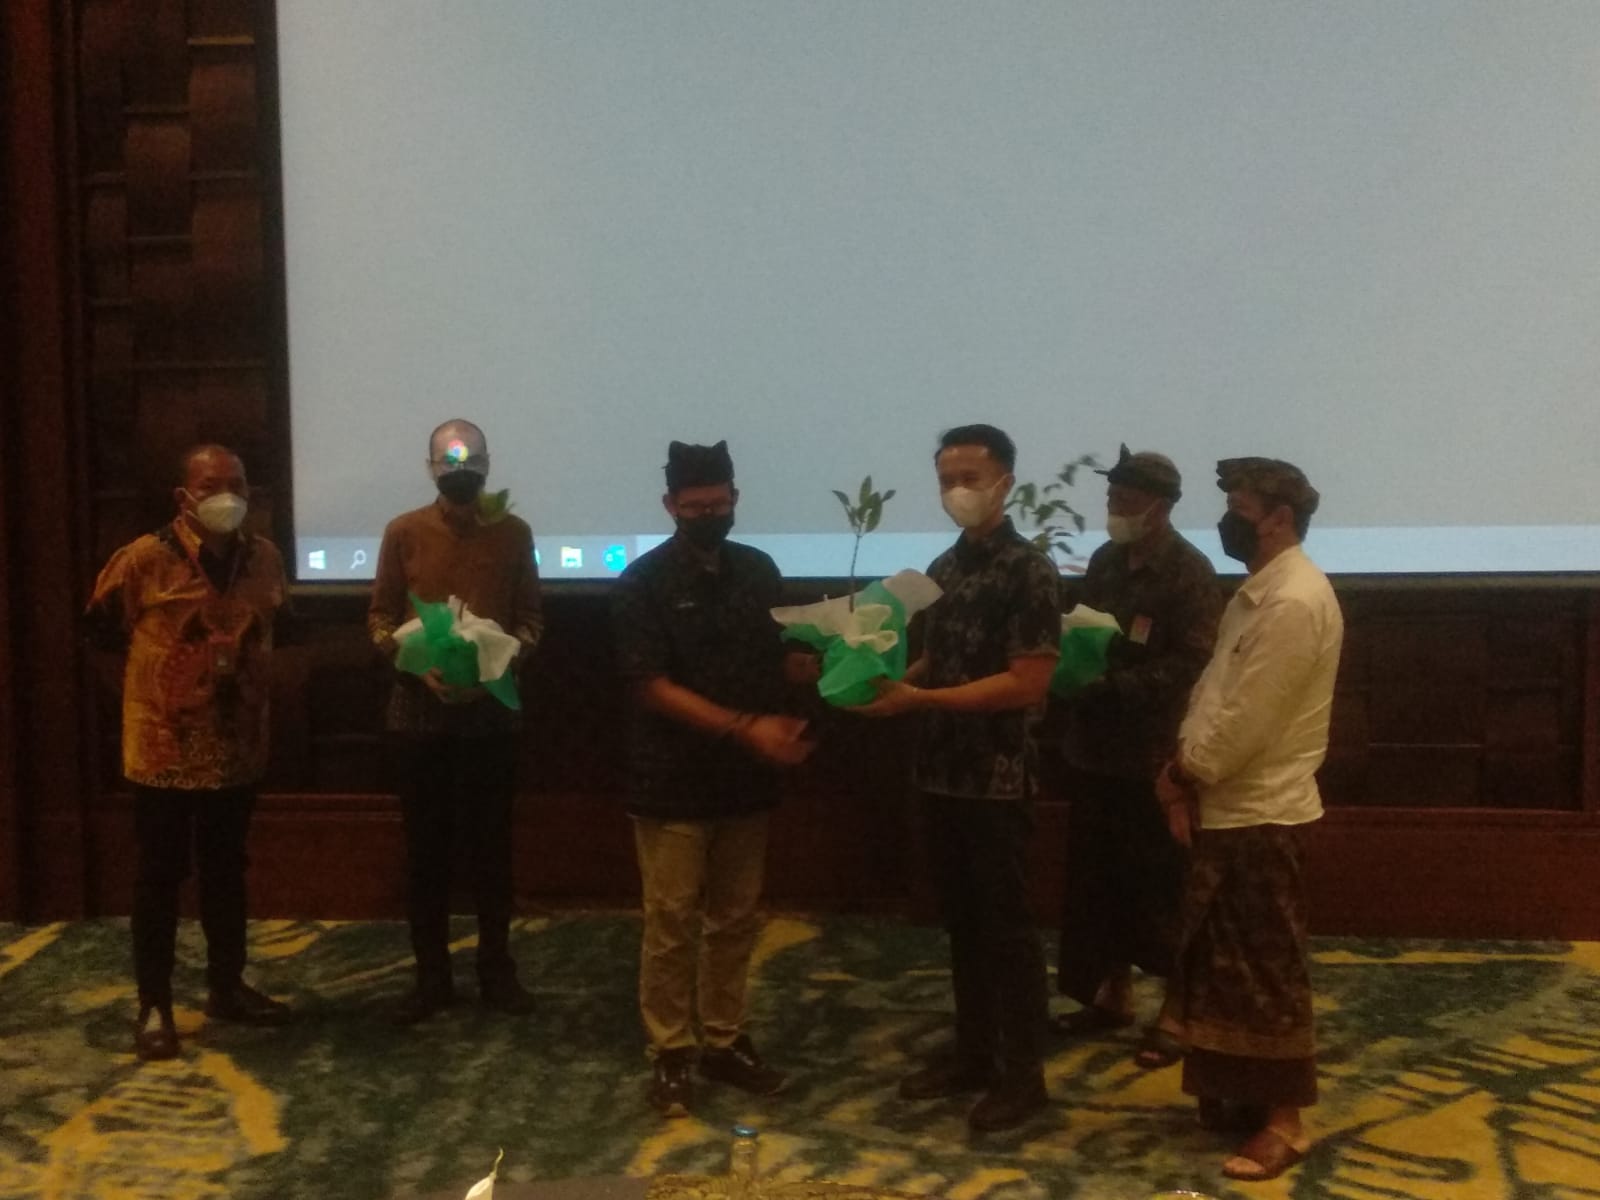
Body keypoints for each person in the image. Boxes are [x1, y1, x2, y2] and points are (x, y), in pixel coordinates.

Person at [854, 424, 1060, 1133]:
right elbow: (937, 660)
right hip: (940, 773)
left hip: (997, 778)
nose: (957, 491)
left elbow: (1028, 682)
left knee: (1008, 930)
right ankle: (974, 1054)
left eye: (970, 478)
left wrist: (922, 700)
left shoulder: (1030, 571)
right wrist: (886, 684)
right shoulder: (945, 566)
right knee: (962, 925)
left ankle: (1024, 1075)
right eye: (947, 480)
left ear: (1004, 482)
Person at [611, 440, 817, 1119]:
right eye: (695, 505)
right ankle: (671, 1051)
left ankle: (724, 1041)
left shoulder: (758, 570)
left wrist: (821, 661)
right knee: (671, 922)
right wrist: (744, 727)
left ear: (735, 499)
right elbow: (650, 686)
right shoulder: (641, 583)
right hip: (670, 779)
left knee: (735, 920)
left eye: (718, 503)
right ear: (670, 506)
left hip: (743, 780)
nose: (709, 514)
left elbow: (777, 659)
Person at [1154, 457, 1343, 1183]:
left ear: (1279, 518)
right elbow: (1213, 693)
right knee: (1222, 964)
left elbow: (1247, 722)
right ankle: (1240, 1094)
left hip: (1262, 811)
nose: (1226, 519)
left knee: (1266, 969)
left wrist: (1183, 775)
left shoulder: (1294, 601)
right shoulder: (1257, 594)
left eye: (1239, 508)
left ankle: (1284, 1123)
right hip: (1226, 804)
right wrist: (1183, 772)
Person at [85, 444, 293, 1060]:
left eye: (238, 484)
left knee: (227, 870)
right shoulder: (143, 559)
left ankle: (227, 987)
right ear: (183, 497)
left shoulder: (265, 557)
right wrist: (148, 701)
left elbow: (280, 630)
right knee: (160, 875)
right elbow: (97, 638)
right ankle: (154, 1004)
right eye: (211, 485)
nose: (227, 496)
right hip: (163, 753)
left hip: (237, 749)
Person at [368, 419, 543, 1024]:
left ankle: (497, 970)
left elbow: (532, 620)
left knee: (493, 850)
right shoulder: (404, 531)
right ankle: (431, 978)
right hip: (419, 715)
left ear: (488, 466)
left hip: (492, 715)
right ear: (431, 468)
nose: (460, 473)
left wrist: (496, 663)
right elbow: (380, 618)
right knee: (426, 854)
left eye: (470, 463)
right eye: (449, 463)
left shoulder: (515, 534)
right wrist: (419, 667)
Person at [1054, 446, 1220, 1059]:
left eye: (1126, 500)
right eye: (1111, 498)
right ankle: (1111, 994)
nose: (1115, 508)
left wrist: (1120, 686)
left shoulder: (1189, 571)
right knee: (1099, 882)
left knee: (1161, 888)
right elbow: (1085, 628)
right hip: (1095, 748)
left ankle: (1177, 1015)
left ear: (1160, 506)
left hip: (1153, 754)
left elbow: (1196, 659)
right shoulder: (1105, 560)